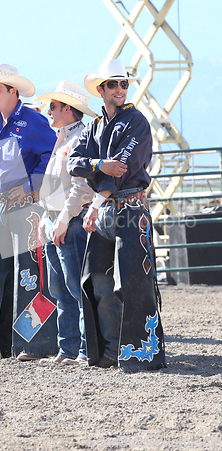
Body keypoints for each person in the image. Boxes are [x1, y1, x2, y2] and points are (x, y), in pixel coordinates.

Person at [67, 59, 166, 372]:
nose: (120, 89)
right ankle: (110, 351)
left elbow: (122, 169)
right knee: (98, 282)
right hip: (107, 211)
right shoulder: (95, 127)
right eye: (113, 84)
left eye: (124, 84)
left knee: (133, 282)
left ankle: (141, 352)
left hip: (127, 210)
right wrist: (99, 165)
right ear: (101, 89)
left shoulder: (136, 121)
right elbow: (74, 163)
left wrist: (95, 201)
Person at [0, 63, 58, 360]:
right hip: (1, 207)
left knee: (28, 274)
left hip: (25, 208)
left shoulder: (32, 120)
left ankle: (32, 345)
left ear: (12, 91)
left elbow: (53, 152)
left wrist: (33, 185)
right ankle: (0, 344)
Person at [36, 81, 96, 365]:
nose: (49, 111)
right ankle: (68, 350)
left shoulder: (79, 139)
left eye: (54, 107)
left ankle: (82, 350)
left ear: (68, 110)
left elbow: (81, 187)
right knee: (61, 290)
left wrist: (60, 218)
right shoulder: (65, 138)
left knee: (74, 288)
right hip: (56, 221)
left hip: (68, 222)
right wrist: (47, 218)